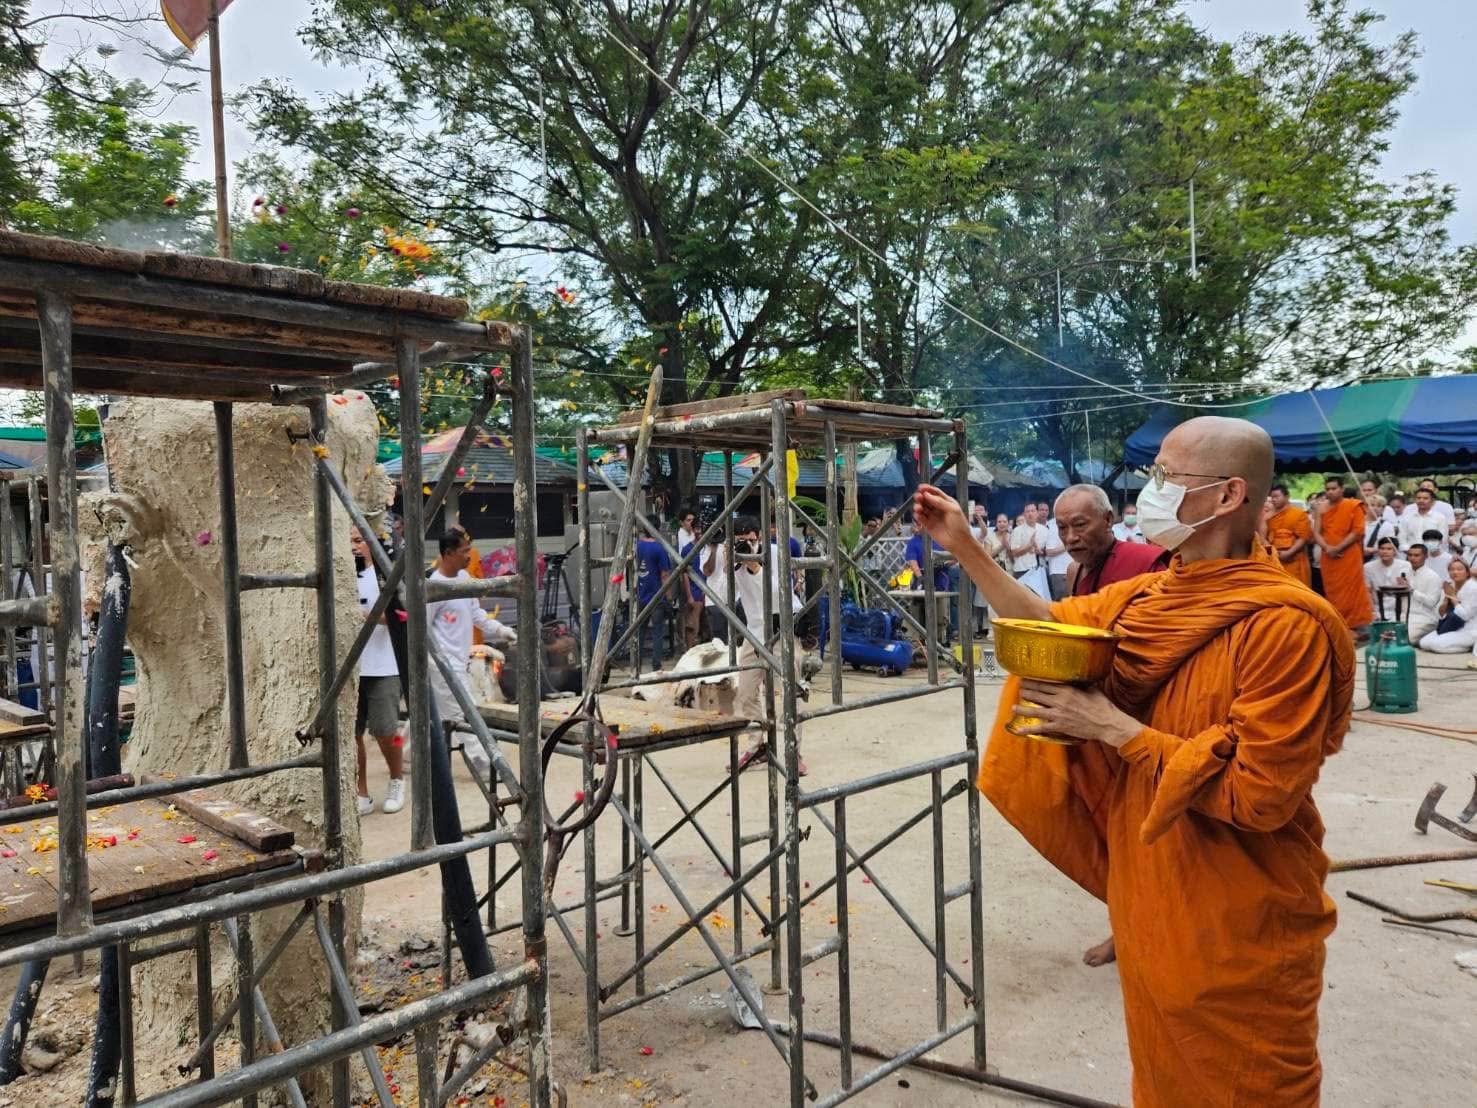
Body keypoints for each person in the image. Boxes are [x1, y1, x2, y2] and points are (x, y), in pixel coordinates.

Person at [914, 415, 1354, 1107]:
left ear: (1226, 495)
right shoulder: (1150, 596)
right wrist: (965, 546)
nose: (1148, 492)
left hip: (1237, 907)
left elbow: (1261, 795)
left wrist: (1114, 728)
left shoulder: (1284, 625)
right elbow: (1044, 624)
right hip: (1153, 885)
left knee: (1250, 1084)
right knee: (1163, 1072)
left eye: (1166, 478)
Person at [428, 530, 517, 781]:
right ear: (447, 554)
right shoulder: (434, 587)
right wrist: (433, 664)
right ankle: (486, 765)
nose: (470, 556)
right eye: (464, 551)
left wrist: (501, 630)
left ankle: (407, 755)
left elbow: (476, 614)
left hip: (460, 661)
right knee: (464, 716)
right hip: (442, 666)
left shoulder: (465, 578)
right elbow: (422, 628)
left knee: (435, 716)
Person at [351, 527, 404, 817]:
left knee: (387, 730)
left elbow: (399, 615)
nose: (354, 547)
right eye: (350, 542)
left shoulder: (387, 575)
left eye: (359, 541)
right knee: (353, 734)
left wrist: (367, 616)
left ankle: (397, 778)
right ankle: (361, 791)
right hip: (353, 668)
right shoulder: (346, 576)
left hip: (384, 664)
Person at [1314, 476, 1372, 638]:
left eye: (1334, 488)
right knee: (1333, 590)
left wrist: (1338, 547)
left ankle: (1357, 626)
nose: (1330, 492)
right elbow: (1316, 532)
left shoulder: (1353, 505)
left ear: (1342, 489)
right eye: (1328, 489)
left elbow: (1358, 531)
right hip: (1328, 556)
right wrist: (1327, 548)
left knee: (1353, 589)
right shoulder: (1321, 508)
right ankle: (1339, 624)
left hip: (1349, 554)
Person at [1418, 556, 1477, 658]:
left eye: (1459, 569)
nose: (1455, 572)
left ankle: (1468, 646)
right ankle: (1458, 644)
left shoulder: (1473, 588)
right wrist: (1446, 599)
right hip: (1450, 626)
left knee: (1436, 645)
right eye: (1452, 569)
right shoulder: (1450, 585)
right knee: (1424, 643)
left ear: (1467, 573)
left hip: (1469, 630)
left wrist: (1453, 598)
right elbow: (1440, 613)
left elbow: (1465, 616)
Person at [634, 533, 673, 672]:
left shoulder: (637, 546)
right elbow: (664, 575)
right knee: (657, 631)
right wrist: (669, 597)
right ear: (657, 529)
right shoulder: (659, 549)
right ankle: (656, 665)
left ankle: (636, 664)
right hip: (657, 597)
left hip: (641, 595)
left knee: (640, 631)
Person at [1265, 483, 1313, 587]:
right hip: (1274, 558)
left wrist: (1289, 553)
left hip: (1294, 559)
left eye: (1276, 496)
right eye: (1272, 497)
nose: (1273, 500)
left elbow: (1303, 537)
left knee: (1295, 588)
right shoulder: (1268, 515)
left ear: (1287, 497)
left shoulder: (1299, 514)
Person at [1007, 503, 1050, 599]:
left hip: (1039, 570)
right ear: (1024, 514)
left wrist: (1040, 551)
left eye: (1033, 511)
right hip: (1022, 570)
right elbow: (1014, 552)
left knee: (1039, 600)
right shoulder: (1017, 530)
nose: (1030, 514)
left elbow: (1047, 551)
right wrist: (1029, 546)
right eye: (1027, 511)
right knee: (1022, 600)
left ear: (1037, 513)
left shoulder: (1044, 530)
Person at [1363, 537, 1411, 620]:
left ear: (1395, 551)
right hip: (1377, 609)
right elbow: (1367, 592)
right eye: (1382, 548)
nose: (1385, 551)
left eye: (1389, 549)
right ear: (1378, 550)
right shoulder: (1368, 567)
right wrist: (1372, 612)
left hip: (1400, 609)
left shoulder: (1406, 566)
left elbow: (1408, 591)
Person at [1404, 543, 1443, 643]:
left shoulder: (1433, 576)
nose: (1412, 558)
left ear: (1426, 556)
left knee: (1405, 639)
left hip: (1425, 617)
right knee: (1384, 633)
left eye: (1416, 555)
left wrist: (1412, 590)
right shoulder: (1404, 573)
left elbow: (1431, 602)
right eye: (1410, 555)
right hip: (1405, 615)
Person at [678, 529, 707, 650]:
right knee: (692, 624)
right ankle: (689, 650)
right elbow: (684, 573)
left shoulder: (709, 547)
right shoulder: (687, 549)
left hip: (707, 589)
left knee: (706, 624)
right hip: (694, 590)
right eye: (697, 528)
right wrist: (689, 594)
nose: (699, 532)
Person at [1399, 487, 1445, 552]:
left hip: (1432, 555)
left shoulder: (1440, 518)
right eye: (1418, 498)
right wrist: (1410, 551)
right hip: (1411, 555)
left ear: (1432, 501)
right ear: (1415, 500)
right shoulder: (1407, 518)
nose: (1421, 500)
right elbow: (1402, 538)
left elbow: (1443, 539)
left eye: (1425, 498)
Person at [1042, 506, 1071, 601]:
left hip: (1073, 570)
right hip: (1058, 571)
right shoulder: (1053, 527)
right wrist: (1067, 546)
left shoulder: (1073, 526)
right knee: (1061, 603)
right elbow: (1049, 552)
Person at [1362, 494, 1398, 560]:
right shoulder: (1358, 522)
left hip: (1376, 559)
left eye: (1379, 506)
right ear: (1366, 507)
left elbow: (1389, 545)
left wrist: (1373, 550)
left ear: (1383, 509)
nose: (1375, 508)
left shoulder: (1387, 526)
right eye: (1372, 505)